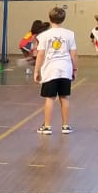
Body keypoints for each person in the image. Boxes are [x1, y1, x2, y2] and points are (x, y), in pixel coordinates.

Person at [34, 7, 78, 135]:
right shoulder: (70, 34)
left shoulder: (43, 36)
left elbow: (40, 55)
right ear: (63, 19)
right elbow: (74, 54)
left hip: (50, 70)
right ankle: (65, 126)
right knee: (64, 97)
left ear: (49, 18)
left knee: (50, 98)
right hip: (65, 69)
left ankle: (47, 127)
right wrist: (75, 69)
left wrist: (37, 71)